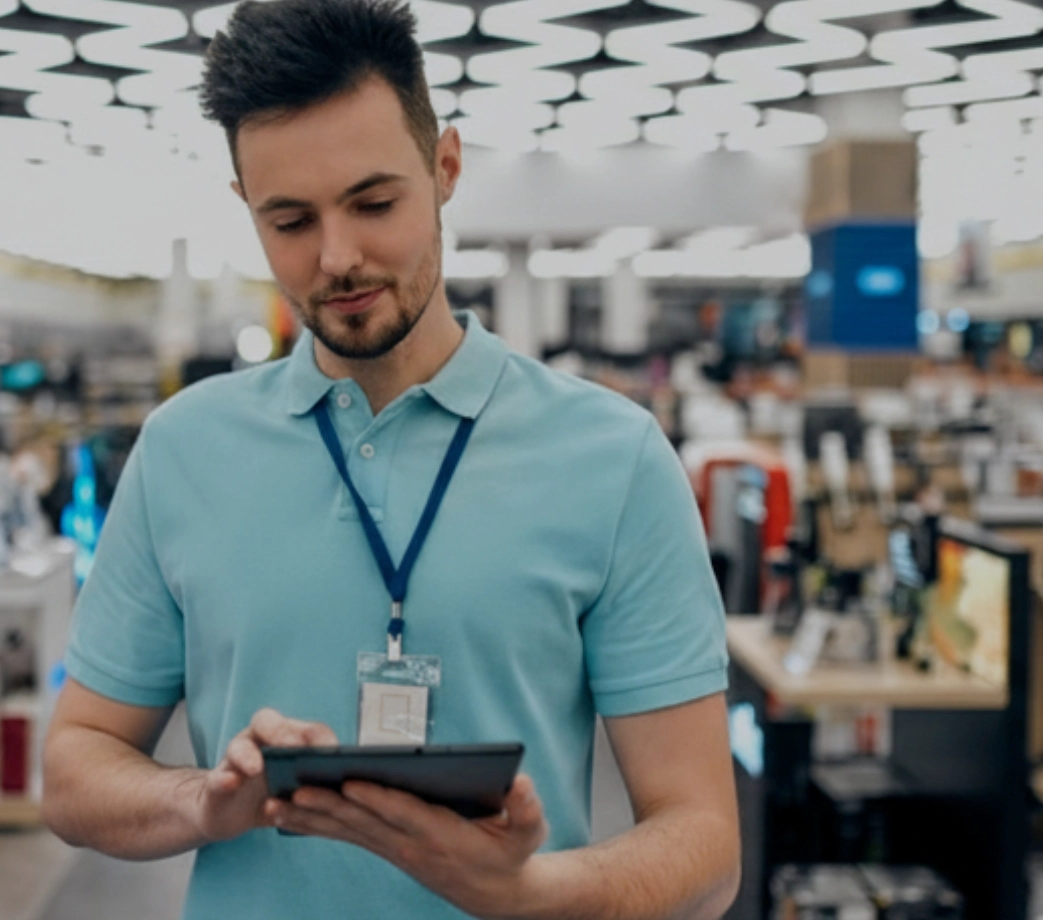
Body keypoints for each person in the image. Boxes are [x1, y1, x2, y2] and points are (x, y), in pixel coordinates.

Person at [38, 0, 739, 916]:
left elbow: (705, 843)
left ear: (444, 167)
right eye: (289, 220)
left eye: (374, 203)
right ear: (246, 207)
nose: (338, 257)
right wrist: (201, 802)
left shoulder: (613, 457)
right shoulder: (182, 449)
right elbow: (74, 764)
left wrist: (529, 892)